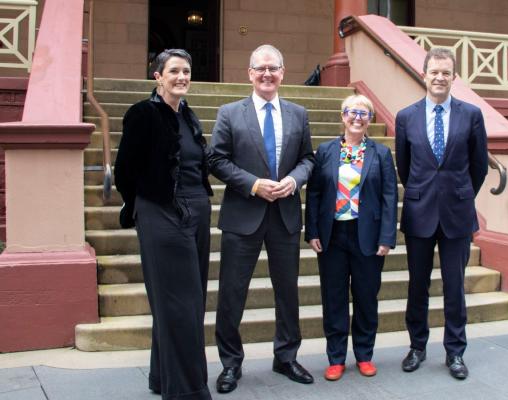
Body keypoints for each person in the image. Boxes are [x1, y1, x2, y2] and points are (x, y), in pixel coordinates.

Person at [208, 44, 315, 394]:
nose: (267, 74)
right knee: (232, 294)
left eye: (273, 68)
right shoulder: (229, 113)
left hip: (284, 216)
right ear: (250, 73)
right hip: (243, 217)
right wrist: (253, 184)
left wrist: (294, 179)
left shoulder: (299, 114)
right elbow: (217, 161)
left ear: (283, 73)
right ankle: (230, 363)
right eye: (260, 68)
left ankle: (286, 357)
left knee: (287, 293)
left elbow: (308, 159)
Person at [114, 49, 213, 400]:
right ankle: (188, 391)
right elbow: (125, 169)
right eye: (174, 71)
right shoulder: (143, 114)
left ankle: (161, 376)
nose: (181, 77)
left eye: (186, 71)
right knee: (178, 304)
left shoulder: (189, 116)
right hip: (161, 213)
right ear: (157, 76)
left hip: (197, 213)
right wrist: (142, 204)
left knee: (191, 302)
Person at [395, 47, 488, 380]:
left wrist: (459, 194)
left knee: (454, 286)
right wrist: (424, 192)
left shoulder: (472, 115)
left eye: (445, 72)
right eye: (434, 72)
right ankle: (417, 347)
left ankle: (455, 352)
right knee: (417, 286)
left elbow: (478, 167)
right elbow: (403, 166)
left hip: (457, 214)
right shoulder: (405, 116)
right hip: (419, 213)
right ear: (424, 75)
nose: (439, 78)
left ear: (454, 77)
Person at [305, 95, 398, 381]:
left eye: (364, 113)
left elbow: (389, 197)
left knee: (366, 297)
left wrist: (387, 237)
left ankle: (364, 355)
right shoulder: (326, 151)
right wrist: (312, 232)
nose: (357, 118)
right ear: (342, 116)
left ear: (369, 119)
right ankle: (335, 358)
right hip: (333, 235)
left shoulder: (380, 154)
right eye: (352, 112)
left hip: (366, 235)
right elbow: (315, 193)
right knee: (333, 298)